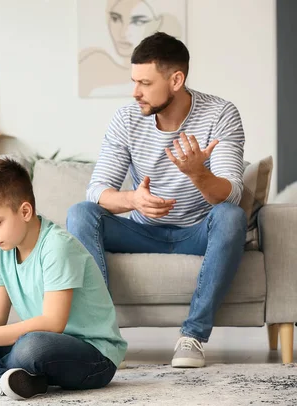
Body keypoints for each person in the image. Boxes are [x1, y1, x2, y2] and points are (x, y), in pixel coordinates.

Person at [68, 32, 247, 368]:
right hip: (140, 231)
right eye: (134, 81)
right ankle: (102, 337)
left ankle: (192, 336)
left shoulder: (220, 114)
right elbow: (97, 191)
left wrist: (198, 174)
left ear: (176, 79)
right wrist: (133, 200)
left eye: (145, 83)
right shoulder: (126, 119)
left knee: (230, 216)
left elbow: (232, 193)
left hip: (197, 232)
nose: (135, 92)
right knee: (81, 213)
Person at [0, 158, 127, 400]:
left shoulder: (57, 246)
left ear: (25, 211)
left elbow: (54, 323)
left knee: (31, 348)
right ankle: (5, 380)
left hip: (94, 356)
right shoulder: (0, 250)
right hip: (43, 343)